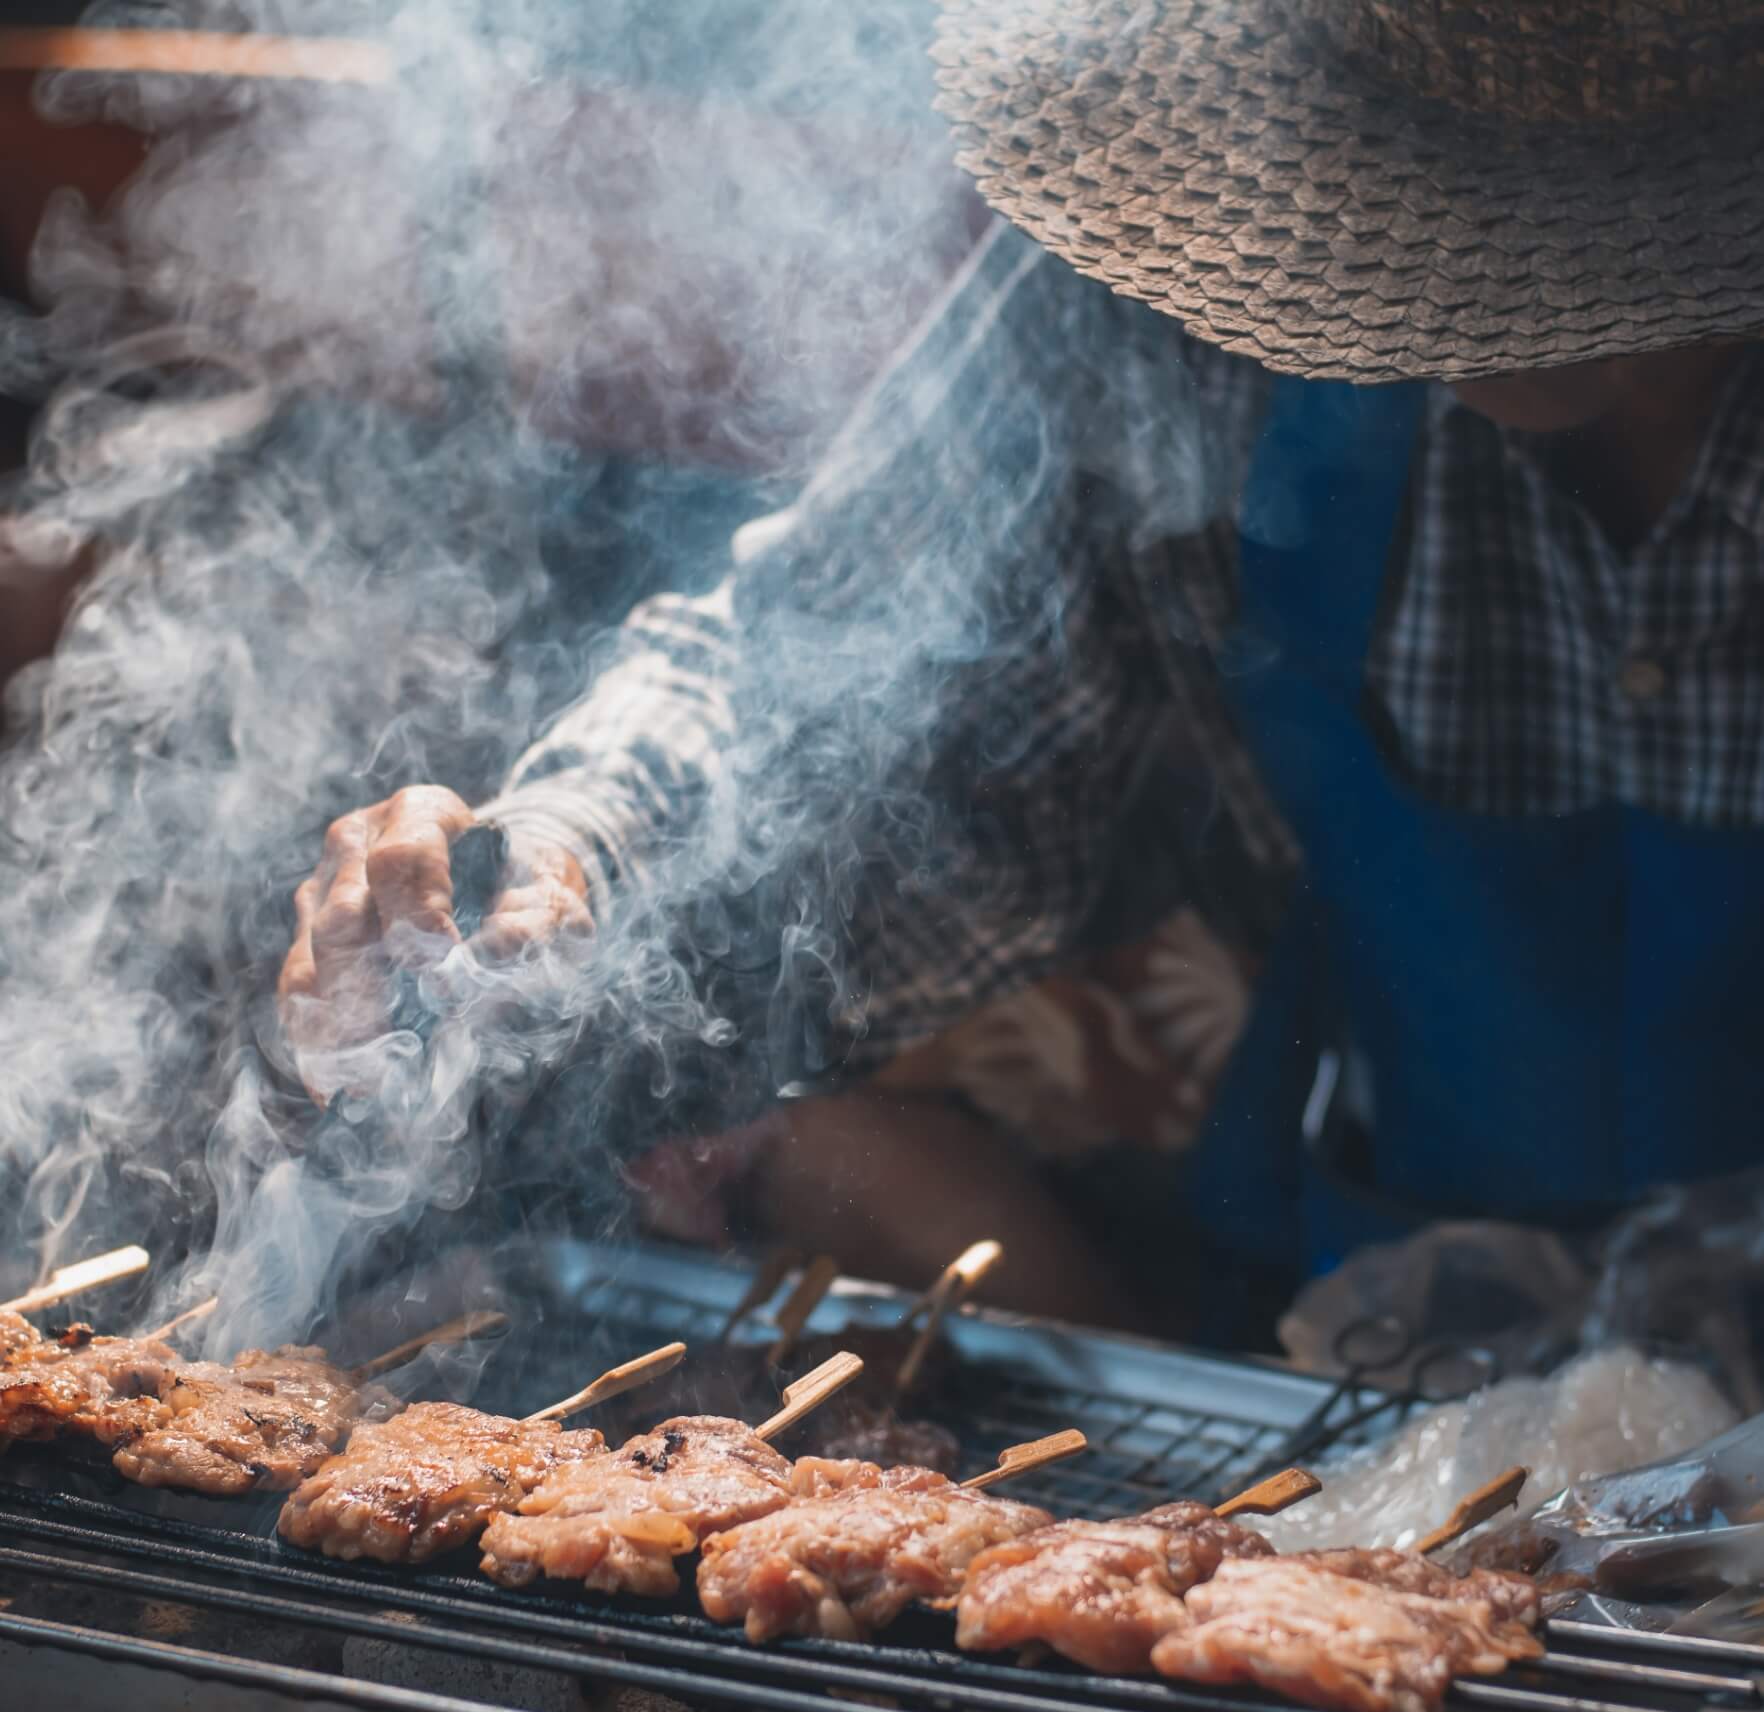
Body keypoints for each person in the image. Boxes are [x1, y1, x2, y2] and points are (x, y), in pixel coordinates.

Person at [278, 0, 1764, 1339]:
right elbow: (810, 671)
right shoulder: (1207, 259)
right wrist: (569, 857)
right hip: (1382, 1314)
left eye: (1550, 201)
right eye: (1415, 172)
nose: (1453, 262)